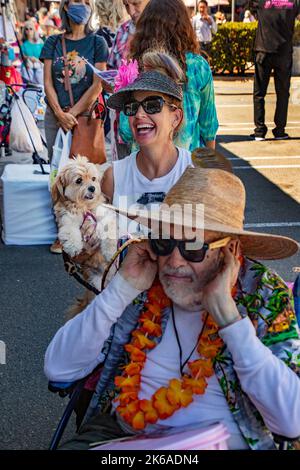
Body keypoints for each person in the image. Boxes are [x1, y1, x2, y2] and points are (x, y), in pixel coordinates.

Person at [45, 164, 300, 450]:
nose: (175, 261)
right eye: (164, 242)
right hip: (124, 437)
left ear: (231, 251)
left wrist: (230, 319)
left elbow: (291, 422)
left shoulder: (262, 293)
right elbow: (58, 370)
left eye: (192, 246)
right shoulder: (144, 281)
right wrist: (121, 289)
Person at [40, 0, 108, 253]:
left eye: (85, 1)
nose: (80, 6)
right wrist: (59, 113)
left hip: (86, 116)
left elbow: (98, 83)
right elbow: (47, 82)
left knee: (87, 174)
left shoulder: (97, 42)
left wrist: (73, 114)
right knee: (58, 174)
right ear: (65, 7)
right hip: (55, 116)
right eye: (75, 1)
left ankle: (89, 229)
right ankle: (63, 231)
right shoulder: (53, 42)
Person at [119, 0, 218, 154]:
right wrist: (211, 165)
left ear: (144, 28)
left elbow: (125, 130)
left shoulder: (138, 67)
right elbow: (209, 125)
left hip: (146, 166)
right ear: (184, 26)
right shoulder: (198, 66)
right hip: (189, 166)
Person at [250, 0, 300, 141]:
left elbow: (252, 8)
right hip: (283, 52)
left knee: (259, 93)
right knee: (283, 93)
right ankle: (279, 131)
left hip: (263, 50)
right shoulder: (293, 2)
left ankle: (260, 131)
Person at [107, 0, 150, 161]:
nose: (131, 11)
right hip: (123, 122)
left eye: (136, 3)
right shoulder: (122, 30)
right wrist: (108, 82)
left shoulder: (160, 29)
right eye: (126, 5)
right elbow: (112, 68)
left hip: (151, 122)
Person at [21, 20, 44, 84]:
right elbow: (22, 56)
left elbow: (45, 55)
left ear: (34, 30)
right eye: (26, 29)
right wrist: (29, 58)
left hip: (40, 66)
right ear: (24, 31)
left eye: (31, 29)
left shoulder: (40, 42)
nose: (28, 31)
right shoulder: (24, 44)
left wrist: (38, 60)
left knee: (40, 81)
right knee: (29, 81)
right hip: (28, 67)